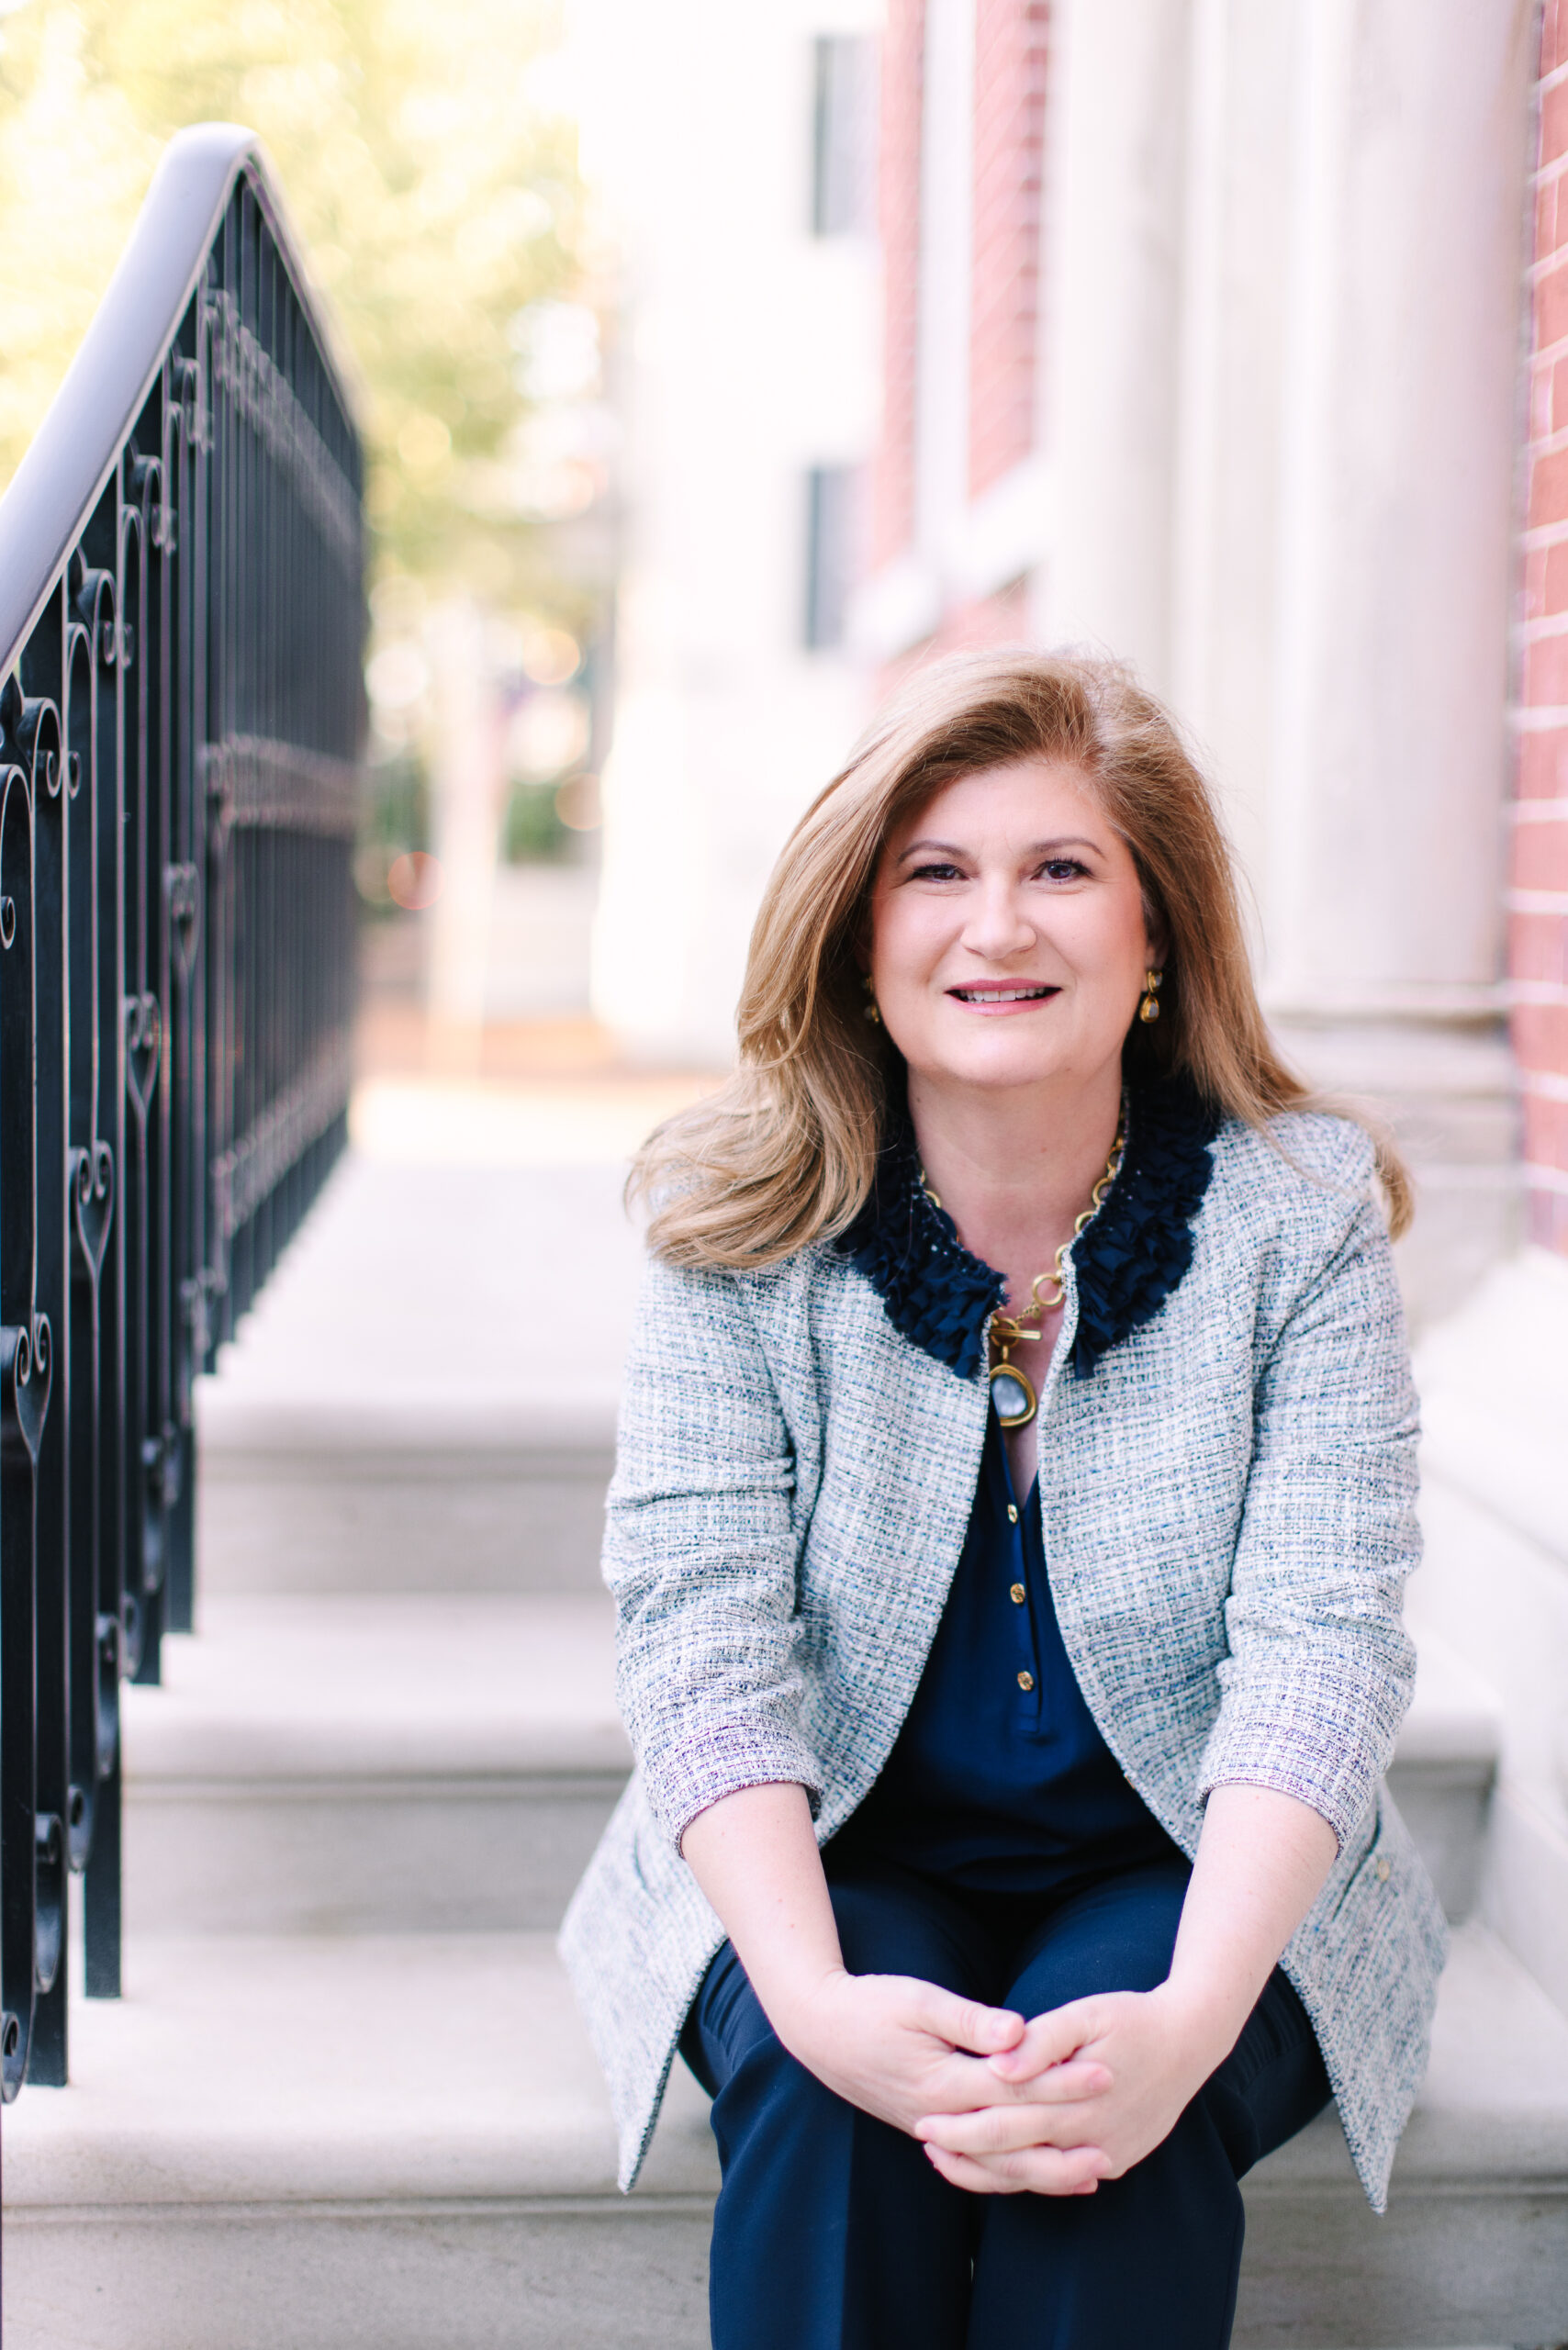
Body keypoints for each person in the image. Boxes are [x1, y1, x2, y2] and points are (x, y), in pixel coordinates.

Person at [561, 651, 1447, 2350]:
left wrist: (1188, 2022)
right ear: (860, 932)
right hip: (825, 1856)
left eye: (1060, 870)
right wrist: (811, 2001)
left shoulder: (1300, 1217)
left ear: (1154, 934)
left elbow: (1324, 1646)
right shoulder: (735, 1224)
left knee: (1109, 2116)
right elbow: (698, 1637)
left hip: (1190, 1860)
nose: (998, 927)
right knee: (834, 2111)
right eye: (938, 874)